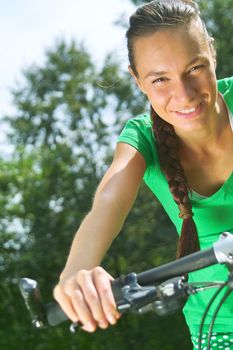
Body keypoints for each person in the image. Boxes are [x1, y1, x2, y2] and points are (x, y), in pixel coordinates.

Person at [54, 0, 233, 348]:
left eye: (194, 68)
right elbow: (109, 198)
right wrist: (77, 272)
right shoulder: (141, 139)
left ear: (211, 53)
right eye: (160, 79)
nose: (183, 94)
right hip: (219, 332)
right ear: (137, 80)